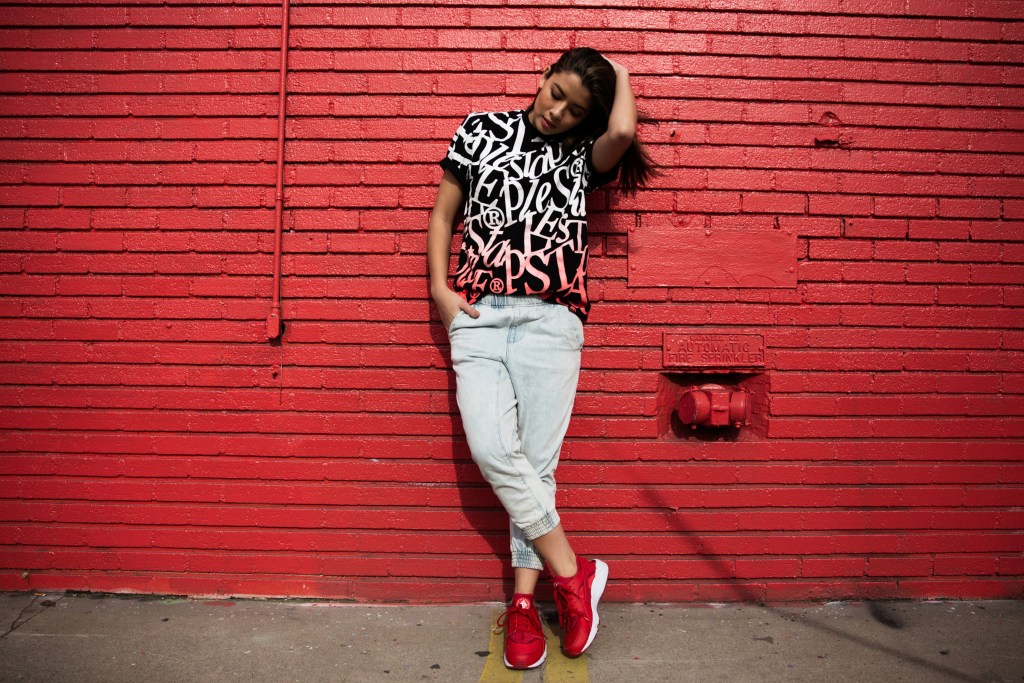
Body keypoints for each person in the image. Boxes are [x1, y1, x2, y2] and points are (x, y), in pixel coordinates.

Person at [427, 47, 657, 670]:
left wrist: (619, 73)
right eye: (557, 93)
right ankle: (573, 572)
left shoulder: (583, 154)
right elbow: (444, 214)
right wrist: (441, 291)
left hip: (553, 322)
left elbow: (623, 132)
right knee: (492, 450)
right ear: (543, 75)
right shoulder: (481, 129)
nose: (558, 112)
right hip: (478, 316)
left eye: (576, 109)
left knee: (536, 466)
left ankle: (525, 604)